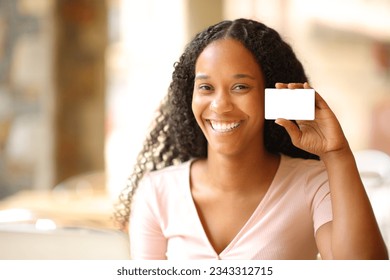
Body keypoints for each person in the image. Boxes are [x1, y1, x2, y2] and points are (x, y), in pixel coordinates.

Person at [114, 18, 388, 260]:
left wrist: (337, 154)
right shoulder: (157, 192)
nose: (220, 105)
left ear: (272, 96)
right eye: (206, 87)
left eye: (240, 87)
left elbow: (362, 269)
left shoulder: (312, 184)